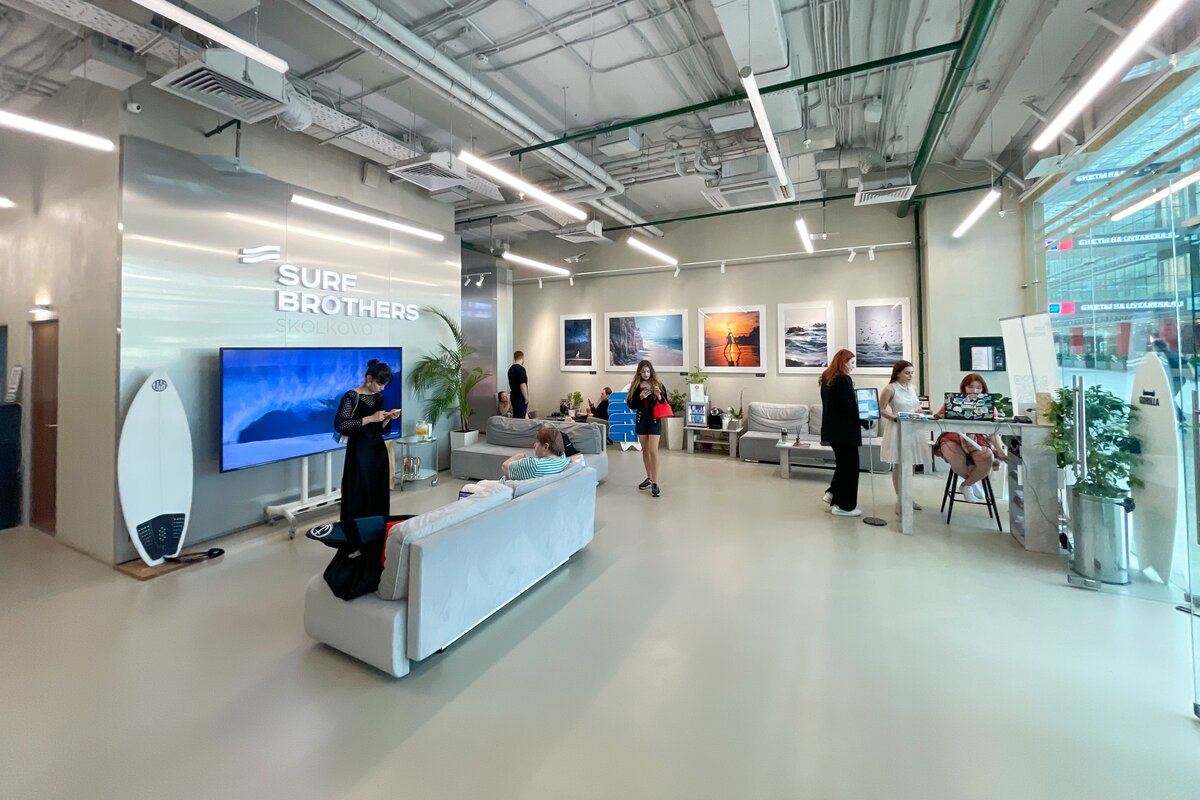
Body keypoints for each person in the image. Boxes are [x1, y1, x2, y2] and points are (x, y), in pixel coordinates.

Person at [334, 359, 401, 525]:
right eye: (380, 384)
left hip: (378, 450)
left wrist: (388, 418)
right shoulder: (351, 396)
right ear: (369, 379)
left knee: (378, 491)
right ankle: (355, 532)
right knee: (358, 491)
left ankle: (377, 530)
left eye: (384, 385)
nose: (382, 388)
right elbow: (341, 425)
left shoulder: (379, 397)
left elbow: (380, 430)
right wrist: (370, 418)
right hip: (359, 451)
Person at [933, 373, 1006, 502]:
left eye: (978, 388)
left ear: (983, 388)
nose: (974, 391)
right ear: (964, 387)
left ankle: (967, 485)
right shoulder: (953, 401)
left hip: (978, 437)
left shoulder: (989, 405)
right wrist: (941, 416)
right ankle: (973, 482)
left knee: (987, 457)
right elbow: (937, 417)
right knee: (955, 459)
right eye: (971, 387)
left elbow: (993, 431)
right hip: (953, 436)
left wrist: (1000, 450)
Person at [818, 349, 865, 517]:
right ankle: (844, 506)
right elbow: (849, 407)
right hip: (845, 433)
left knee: (843, 465)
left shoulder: (827, 378)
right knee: (850, 468)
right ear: (842, 362)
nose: (853, 366)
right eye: (851, 363)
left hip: (833, 431)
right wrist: (865, 421)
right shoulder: (843, 379)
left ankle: (832, 493)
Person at [879, 360, 923, 514]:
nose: (910, 376)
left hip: (913, 428)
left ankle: (907, 496)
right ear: (898, 373)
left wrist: (919, 410)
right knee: (899, 463)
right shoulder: (890, 389)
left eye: (912, 373)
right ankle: (900, 498)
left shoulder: (913, 388)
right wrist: (895, 418)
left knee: (912, 463)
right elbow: (881, 409)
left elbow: (916, 406)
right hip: (898, 427)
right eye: (907, 373)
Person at [629, 360, 665, 497]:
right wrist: (640, 397)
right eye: (643, 371)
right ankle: (649, 478)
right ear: (639, 372)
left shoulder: (657, 384)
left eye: (648, 371)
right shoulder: (635, 386)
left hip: (654, 420)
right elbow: (630, 404)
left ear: (651, 371)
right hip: (641, 420)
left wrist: (658, 395)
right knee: (645, 450)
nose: (646, 374)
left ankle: (655, 482)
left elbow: (665, 402)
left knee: (653, 450)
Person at [501, 427, 570, 480]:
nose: (534, 445)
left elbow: (504, 467)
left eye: (537, 442)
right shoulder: (562, 458)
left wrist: (522, 455)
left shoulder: (534, 465)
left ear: (546, 447)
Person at [507, 351, 529, 419]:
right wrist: (526, 398)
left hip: (513, 397)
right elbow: (522, 385)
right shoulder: (521, 369)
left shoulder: (510, 369)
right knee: (521, 419)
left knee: (516, 417)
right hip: (520, 398)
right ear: (522, 358)